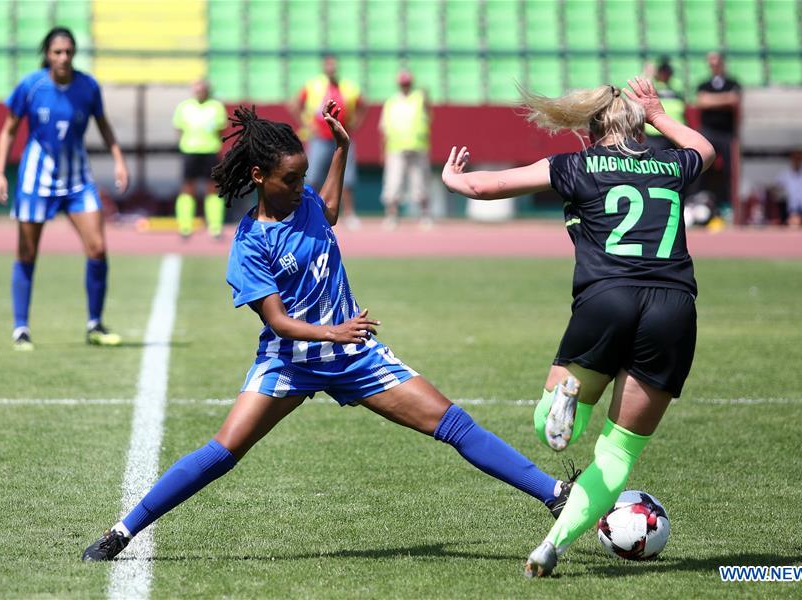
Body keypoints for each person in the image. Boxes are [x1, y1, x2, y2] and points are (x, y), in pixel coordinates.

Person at [81, 102, 577, 562]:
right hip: (290, 360)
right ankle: (122, 531)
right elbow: (275, 320)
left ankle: (555, 495)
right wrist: (332, 333)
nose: (301, 186)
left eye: (303, 177)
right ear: (258, 176)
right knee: (222, 451)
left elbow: (331, 211)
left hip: (354, 355)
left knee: (453, 424)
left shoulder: (306, 200)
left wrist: (342, 149)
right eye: (291, 178)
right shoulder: (250, 245)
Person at [440, 77, 714, 577]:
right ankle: (551, 546)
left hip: (606, 300)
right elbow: (704, 147)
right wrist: (658, 113)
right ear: (642, 129)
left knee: (550, 427)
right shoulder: (671, 165)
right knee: (619, 451)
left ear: (590, 133)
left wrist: (457, 180)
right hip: (674, 307)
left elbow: (485, 187)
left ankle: (565, 399)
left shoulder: (578, 164)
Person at [0, 27, 128, 351]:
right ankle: (21, 328)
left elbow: (104, 125)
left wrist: (119, 159)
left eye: (68, 51)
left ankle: (95, 324)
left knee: (97, 249)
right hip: (35, 180)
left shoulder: (87, 86)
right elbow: (8, 130)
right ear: (47, 55)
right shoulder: (31, 85)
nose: (63, 57)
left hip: (78, 179)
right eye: (57, 52)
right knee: (27, 253)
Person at [293, 54, 364, 229]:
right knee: (312, 176)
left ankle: (349, 214)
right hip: (319, 138)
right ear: (324, 67)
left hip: (341, 137)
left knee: (346, 177)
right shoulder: (313, 85)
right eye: (328, 65)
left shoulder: (348, 86)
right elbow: (296, 104)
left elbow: (362, 105)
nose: (331, 69)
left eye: (334, 65)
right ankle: (310, 211)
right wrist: (307, 125)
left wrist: (354, 124)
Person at [172, 79, 227, 239]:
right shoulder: (184, 107)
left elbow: (221, 130)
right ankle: (185, 226)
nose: (199, 91)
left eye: (202, 88)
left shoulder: (216, 107)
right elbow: (179, 129)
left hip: (210, 151)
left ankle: (215, 227)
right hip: (190, 151)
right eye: (196, 88)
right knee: (188, 187)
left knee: (213, 187)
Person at [378, 69, 433, 229]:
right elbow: (384, 128)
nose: (405, 86)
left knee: (420, 183)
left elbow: (429, 115)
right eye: (403, 83)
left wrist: (426, 96)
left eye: (407, 83)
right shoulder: (391, 102)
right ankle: (392, 215)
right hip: (396, 148)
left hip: (417, 147)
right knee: (393, 184)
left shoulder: (419, 98)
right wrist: (383, 150)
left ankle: (425, 214)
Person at [695, 52, 741, 225]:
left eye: (717, 63)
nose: (714, 66)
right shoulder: (703, 84)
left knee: (731, 170)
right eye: (711, 63)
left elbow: (735, 100)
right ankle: (695, 201)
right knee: (700, 166)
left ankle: (730, 206)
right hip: (709, 132)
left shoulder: (733, 83)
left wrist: (713, 100)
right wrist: (725, 99)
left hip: (727, 133)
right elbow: (702, 101)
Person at [644, 57, 686, 152]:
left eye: (668, 71)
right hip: (653, 133)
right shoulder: (652, 85)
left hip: (675, 133)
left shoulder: (676, 86)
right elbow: (637, 93)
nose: (665, 74)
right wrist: (648, 74)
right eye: (662, 71)